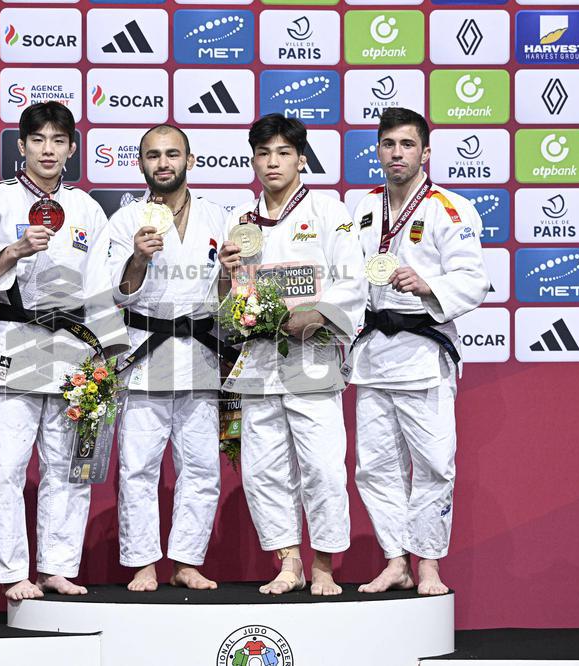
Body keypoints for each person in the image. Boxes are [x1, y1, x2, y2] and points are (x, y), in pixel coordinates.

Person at [0, 101, 128, 601]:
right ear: (21, 146)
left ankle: (57, 566)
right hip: (17, 338)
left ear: (71, 149)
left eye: (58, 141)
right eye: (38, 140)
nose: (48, 150)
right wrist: (14, 250)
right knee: (7, 466)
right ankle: (12, 572)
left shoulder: (87, 209)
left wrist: (111, 351)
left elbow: (100, 288)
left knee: (68, 464)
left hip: (75, 347)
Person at [217, 115, 366, 596]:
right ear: (253, 161)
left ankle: (323, 565)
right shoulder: (241, 221)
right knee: (263, 469)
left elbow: (353, 278)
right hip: (259, 358)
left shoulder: (328, 211)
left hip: (312, 355)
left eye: (283, 153)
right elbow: (226, 300)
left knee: (322, 467)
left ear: (301, 159)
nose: (272, 162)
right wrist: (223, 275)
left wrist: (319, 313)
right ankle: (289, 562)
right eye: (263, 154)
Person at [346, 107, 489, 595]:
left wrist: (429, 285)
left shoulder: (449, 208)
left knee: (433, 465)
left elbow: (474, 279)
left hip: (424, 354)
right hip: (373, 355)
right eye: (388, 144)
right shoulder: (363, 207)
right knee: (374, 467)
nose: (397, 153)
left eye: (407, 145)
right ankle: (395, 560)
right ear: (378, 150)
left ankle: (428, 563)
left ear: (425, 153)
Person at [108, 125, 229, 592]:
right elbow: (116, 291)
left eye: (172, 154)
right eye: (153, 155)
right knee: (138, 466)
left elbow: (229, 295)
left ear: (190, 160)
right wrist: (137, 258)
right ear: (140, 163)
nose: (163, 163)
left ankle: (186, 561)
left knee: (201, 466)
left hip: (200, 352)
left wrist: (231, 273)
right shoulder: (126, 220)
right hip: (145, 353)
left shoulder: (218, 217)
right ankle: (143, 563)